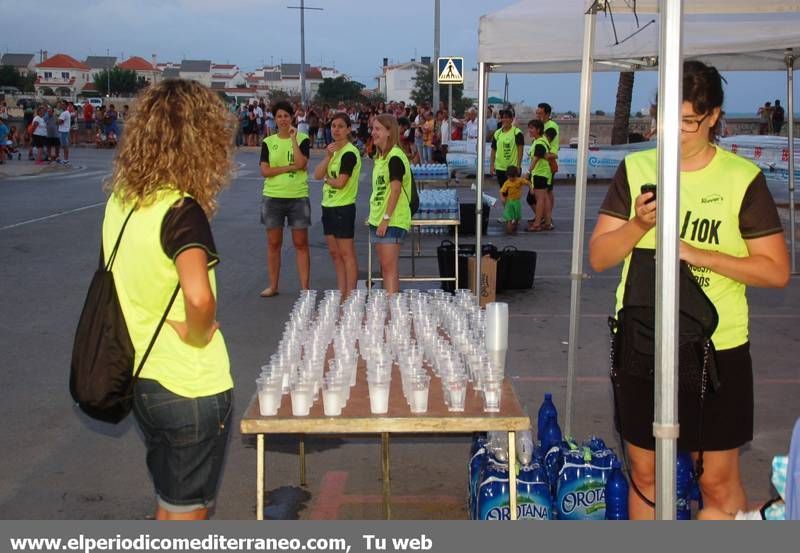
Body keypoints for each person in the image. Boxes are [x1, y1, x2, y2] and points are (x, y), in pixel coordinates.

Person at [588, 60, 790, 520]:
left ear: (714, 117)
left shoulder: (741, 178)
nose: (675, 133)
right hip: (642, 343)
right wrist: (639, 223)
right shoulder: (637, 167)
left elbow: (777, 271)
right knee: (644, 474)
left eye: (689, 122)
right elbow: (599, 257)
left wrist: (698, 254)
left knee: (716, 481)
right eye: (666, 119)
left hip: (717, 351)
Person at [102, 78, 235, 520]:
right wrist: (197, 335)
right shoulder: (181, 211)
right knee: (187, 518)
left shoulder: (121, 203)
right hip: (188, 385)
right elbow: (198, 298)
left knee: (169, 505)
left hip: (142, 377)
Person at [259, 101, 311, 297]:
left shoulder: (303, 138)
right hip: (272, 197)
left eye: (286, 116)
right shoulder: (268, 142)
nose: (283, 120)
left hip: (297, 196)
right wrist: (288, 168)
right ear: (274, 118)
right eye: (279, 116)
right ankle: (273, 285)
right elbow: (265, 171)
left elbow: (301, 163)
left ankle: (305, 288)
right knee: (274, 243)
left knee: (301, 243)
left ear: (292, 118)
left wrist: (293, 140)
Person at [312, 112, 362, 298]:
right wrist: (327, 157)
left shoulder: (350, 152)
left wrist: (327, 179)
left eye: (341, 126)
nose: (336, 130)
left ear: (349, 129)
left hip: (344, 207)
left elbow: (341, 182)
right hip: (328, 206)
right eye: (333, 126)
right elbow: (316, 175)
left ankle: (351, 294)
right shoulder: (333, 151)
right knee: (334, 253)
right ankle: (342, 292)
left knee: (346, 253)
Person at [368, 114, 412, 294]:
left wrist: (386, 218)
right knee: (385, 268)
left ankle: (393, 312)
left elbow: (395, 190)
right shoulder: (381, 158)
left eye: (378, 129)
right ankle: (391, 310)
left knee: (389, 268)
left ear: (389, 132)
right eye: (373, 129)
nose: (373, 133)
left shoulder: (395, 157)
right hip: (379, 220)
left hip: (391, 221)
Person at [525, 119, 553, 232]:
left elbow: (536, 158)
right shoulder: (541, 141)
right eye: (529, 128)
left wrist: (528, 172)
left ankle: (537, 224)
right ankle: (547, 223)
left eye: (532, 128)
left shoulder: (540, 142)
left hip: (539, 174)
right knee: (544, 199)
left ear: (538, 130)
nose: (529, 130)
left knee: (540, 199)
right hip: (543, 173)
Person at [538, 102, 560, 229]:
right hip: (543, 160)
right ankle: (546, 216)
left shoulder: (552, 126)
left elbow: (544, 141)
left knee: (546, 191)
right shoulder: (542, 125)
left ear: (547, 113)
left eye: (540, 113)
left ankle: (547, 218)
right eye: (537, 113)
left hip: (549, 160)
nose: (538, 115)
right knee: (547, 191)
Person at [490, 109, 524, 188]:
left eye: (507, 118)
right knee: (503, 192)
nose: (505, 120)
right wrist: (492, 165)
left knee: (513, 193)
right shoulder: (497, 133)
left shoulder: (517, 132)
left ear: (512, 119)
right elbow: (493, 150)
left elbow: (520, 150)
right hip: (500, 168)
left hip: (512, 169)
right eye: (503, 118)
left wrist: (518, 166)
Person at [499, 165, 525, 235]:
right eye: (509, 177)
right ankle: (509, 231)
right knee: (509, 218)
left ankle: (514, 227)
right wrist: (502, 197)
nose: (511, 178)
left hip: (517, 201)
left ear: (516, 175)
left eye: (513, 177)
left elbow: (527, 182)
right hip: (509, 202)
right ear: (507, 176)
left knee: (517, 216)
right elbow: (501, 191)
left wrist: (531, 188)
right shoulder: (507, 183)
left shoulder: (519, 180)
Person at [57, 101, 72, 165]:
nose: (61, 106)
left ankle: (66, 160)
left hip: (63, 131)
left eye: (63, 104)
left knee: (65, 146)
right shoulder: (66, 112)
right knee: (64, 146)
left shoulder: (64, 113)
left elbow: (60, 122)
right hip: (65, 131)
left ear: (66, 105)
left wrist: (57, 120)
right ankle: (65, 159)